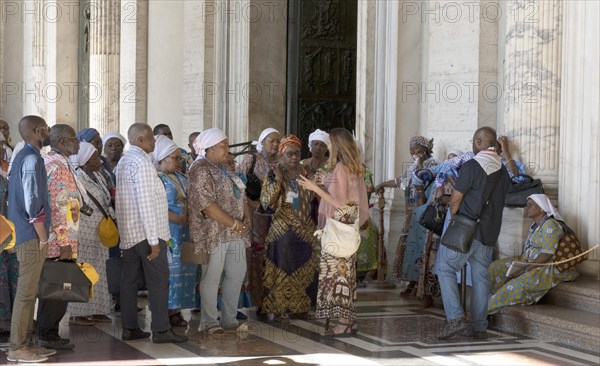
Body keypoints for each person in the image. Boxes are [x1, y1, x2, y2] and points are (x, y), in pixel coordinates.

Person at [434, 127, 510, 340]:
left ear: (478, 141)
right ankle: (479, 326)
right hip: (489, 233)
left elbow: (456, 200)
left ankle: (456, 318)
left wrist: (453, 218)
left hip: (467, 228)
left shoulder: (472, 166)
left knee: (444, 267)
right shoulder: (503, 171)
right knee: (481, 277)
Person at [115, 123, 187, 344]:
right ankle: (161, 330)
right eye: (151, 139)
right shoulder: (142, 164)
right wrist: (154, 241)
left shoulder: (125, 161)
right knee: (158, 281)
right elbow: (145, 203)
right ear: (140, 140)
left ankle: (130, 328)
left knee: (129, 282)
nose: (155, 142)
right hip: (147, 234)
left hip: (130, 233)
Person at [298, 128, 369, 337]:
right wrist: (325, 183)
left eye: (329, 143)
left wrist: (314, 187)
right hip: (349, 225)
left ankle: (344, 322)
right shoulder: (354, 167)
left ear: (337, 145)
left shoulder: (340, 167)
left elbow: (338, 202)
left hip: (338, 226)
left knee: (339, 275)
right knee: (347, 273)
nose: (327, 147)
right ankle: (350, 320)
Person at [188, 128, 250, 334]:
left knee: (236, 273)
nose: (227, 149)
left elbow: (239, 193)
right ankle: (209, 321)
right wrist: (233, 223)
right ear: (210, 148)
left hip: (235, 231)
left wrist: (245, 217)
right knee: (212, 276)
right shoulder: (200, 169)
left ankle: (229, 318)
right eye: (223, 145)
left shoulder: (223, 166)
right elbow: (206, 205)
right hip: (212, 233)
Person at [6, 115, 55, 362]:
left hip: (25, 235)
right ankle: (17, 347)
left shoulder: (24, 157)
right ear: (37, 131)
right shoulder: (31, 159)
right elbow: (33, 203)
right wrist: (44, 238)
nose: (48, 133)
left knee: (29, 293)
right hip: (31, 237)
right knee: (26, 295)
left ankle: (25, 342)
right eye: (46, 129)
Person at [488, 194, 579, 314]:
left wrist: (524, 269)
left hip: (546, 266)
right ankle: (494, 298)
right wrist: (518, 264)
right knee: (495, 267)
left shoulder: (550, 225)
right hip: (529, 262)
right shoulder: (534, 226)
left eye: (530, 205)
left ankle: (487, 309)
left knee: (518, 283)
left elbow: (546, 255)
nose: (526, 208)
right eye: (526, 205)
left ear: (541, 208)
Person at [260, 135, 319, 321]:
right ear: (282, 154)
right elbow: (266, 202)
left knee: (306, 267)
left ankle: (301, 307)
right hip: (282, 229)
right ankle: (280, 308)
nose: (294, 157)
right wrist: (277, 181)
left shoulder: (306, 171)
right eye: (290, 154)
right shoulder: (275, 172)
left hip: (305, 227)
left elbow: (315, 195)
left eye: (297, 153)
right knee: (283, 268)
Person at [36, 124, 83, 350]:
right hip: (60, 241)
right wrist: (64, 242)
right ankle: (48, 335)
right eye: (74, 139)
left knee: (52, 289)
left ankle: (47, 332)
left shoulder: (50, 162)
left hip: (53, 238)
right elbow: (60, 205)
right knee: (58, 290)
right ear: (63, 142)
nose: (78, 143)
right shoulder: (59, 167)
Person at [375, 136, 438, 297]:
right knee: (409, 247)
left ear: (425, 149)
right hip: (411, 214)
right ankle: (411, 280)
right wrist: (382, 184)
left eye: (416, 150)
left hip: (424, 213)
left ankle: (421, 285)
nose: (413, 153)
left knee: (422, 248)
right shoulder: (412, 166)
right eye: (411, 151)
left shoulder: (434, 165)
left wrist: (421, 165)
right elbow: (401, 181)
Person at [67, 142, 114, 325]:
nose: (99, 160)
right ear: (85, 160)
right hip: (83, 231)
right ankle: (78, 313)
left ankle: (98, 309)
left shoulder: (97, 176)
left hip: (100, 231)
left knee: (99, 270)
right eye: (94, 157)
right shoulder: (77, 177)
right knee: (83, 270)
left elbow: (105, 199)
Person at [153, 135, 196, 327]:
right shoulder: (156, 179)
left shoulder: (181, 177)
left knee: (185, 270)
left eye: (180, 158)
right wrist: (179, 218)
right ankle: (166, 312)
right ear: (162, 158)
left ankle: (177, 309)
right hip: (169, 231)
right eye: (175, 158)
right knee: (170, 272)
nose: (180, 162)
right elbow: (157, 206)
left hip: (185, 232)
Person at [237, 128, 281, 315]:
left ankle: (276, 298)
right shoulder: (251, 160)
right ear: (262, 142)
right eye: (272, 141)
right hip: (255, 217)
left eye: (278, 142)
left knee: (275, 256)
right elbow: (237, 184)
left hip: (276, 217)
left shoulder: (282, 162)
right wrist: (251, 204)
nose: (276, 145)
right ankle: (259, 299)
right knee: (256, 256)